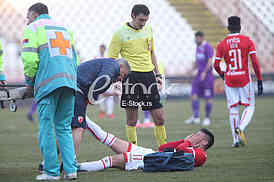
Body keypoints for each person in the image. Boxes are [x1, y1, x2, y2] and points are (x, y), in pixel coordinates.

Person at [21, 3, 79, 180]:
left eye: (28, 17)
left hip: (47, 84)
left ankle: (51, 172)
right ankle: (71, 170)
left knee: (46, 128)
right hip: (69, 82)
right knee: (64, 128)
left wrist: (30, 83)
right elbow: (75, 58)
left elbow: (30, 60)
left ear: (35, 14)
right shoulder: (64, 28)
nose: (26, 21)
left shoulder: (33, 28)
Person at [108, 4, 167, 146]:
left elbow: (152, 52)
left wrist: (157, 74)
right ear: (132, 15)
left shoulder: (148, 29)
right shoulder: (120, 33)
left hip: (149, 77)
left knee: (159, 118)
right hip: (131, 78)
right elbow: (111, 58)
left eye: (145, 20)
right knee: (132, 120)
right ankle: (133, 151)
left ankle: (163, 148)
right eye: (141, 20)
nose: (143, 23)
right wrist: (116, 77)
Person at [79, 117, 214, 172]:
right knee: (110, 138)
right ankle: (83, 116)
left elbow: (179, 150)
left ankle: (76, 167)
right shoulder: (189, 146)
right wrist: (184, 141)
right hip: (153, 154)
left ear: (204, 142)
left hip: (151, 161)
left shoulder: (201, 155)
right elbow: (163, 148)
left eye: (197, 135)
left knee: (112, 160)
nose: (193, 136)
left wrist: (187, 142)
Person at [214, 16, 263, 147]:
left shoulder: (222, 43)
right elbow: (254, 62)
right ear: (240, 27)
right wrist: (259, 79)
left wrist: (222, 75)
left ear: (228, 28)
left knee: (233, 108)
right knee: (250, 106)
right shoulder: (247, 41)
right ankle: (240, 127)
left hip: (229, 78)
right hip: (244, 78)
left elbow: (216, 65)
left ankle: (235, 140)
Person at [71, 58, 130, 159]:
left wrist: (112, 93)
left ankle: (48, 161)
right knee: (78, 128)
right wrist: (92, 98)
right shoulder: (113, 66)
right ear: (121, 66)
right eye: (123, 75)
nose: (121, 79)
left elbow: (97, 85)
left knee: (67, 130)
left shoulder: (106, 66)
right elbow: (101, 81)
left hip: (71, 88)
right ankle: (70, 163)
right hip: (77, 91)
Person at [185, 31, 215, 126]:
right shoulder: (198, 47)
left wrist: (205, 73)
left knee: (208, 98)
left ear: (201, 38)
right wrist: (191, 70)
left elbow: (210, 61)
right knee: (193, 94)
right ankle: (196, 117)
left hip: (207, 77)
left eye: (196, 38)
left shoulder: (208, 47)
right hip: (198, 75)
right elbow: (197, 61)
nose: (195, 40)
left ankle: (207, 118)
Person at [95, 44, 118, 119]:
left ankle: (109, 113)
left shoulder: (108, 57)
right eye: (100, 48)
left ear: (104, 49)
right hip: (99, 80)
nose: (101, 50)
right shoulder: (96, 57)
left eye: (103, 48)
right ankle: (102, 111)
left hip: (108, 79)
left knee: (110, 96)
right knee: (101, 95)